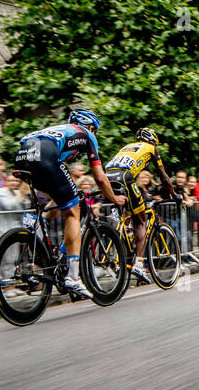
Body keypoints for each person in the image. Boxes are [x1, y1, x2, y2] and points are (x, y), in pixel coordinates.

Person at [16, 109, 122, 297]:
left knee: (62, 199)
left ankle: (39, 232)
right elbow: (99, 176)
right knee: (73, 212)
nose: (94, 134)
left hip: (23, 156)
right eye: (94, 130)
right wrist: (113, 198)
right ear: (90, 126)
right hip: (45, 157)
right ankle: (73, 277)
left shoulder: (59, 130)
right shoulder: (87, 135)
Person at [104, 127, 177, 285]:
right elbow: (163, 176)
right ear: (153, 141)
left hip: (106, 177)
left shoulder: (127, 147)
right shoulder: (150, 148)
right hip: (125, 178)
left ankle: (121, 253)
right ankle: (138, 263)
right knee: (141, 220)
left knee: (128, 215)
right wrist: (174, 195)